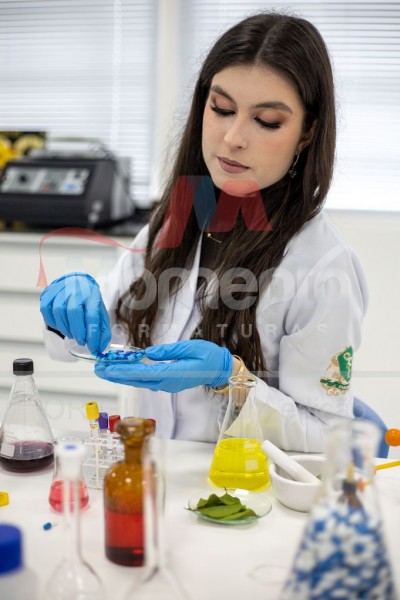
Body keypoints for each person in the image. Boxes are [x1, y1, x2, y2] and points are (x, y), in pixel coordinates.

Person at [40, 12, 379, 453]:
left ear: (306, 133)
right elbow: (100, 331)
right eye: (221, 109)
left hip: (243, 491)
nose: (233, 137)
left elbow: (328, 437)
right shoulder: (177, 218)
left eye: (267, 120)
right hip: (153, 471)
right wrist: (69, 312)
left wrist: (231, 379)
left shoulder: (322, 265)